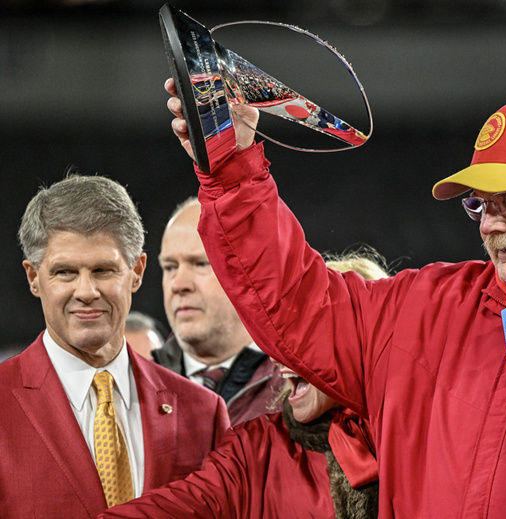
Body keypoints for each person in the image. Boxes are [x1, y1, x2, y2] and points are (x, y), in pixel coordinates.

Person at [164, 84, 506, 517]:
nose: (490, 224)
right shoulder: (430, 305)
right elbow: (298, 301)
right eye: (479, 205)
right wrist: (232, 167)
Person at [0, 174, 230, 518]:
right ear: (34, 278)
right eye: (65, 272)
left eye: (103, 270)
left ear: (136, 271)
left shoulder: (203, 414)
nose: (86, 291)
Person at [99, 253, 385, 519]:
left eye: (305, 337)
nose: (280, 354)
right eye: (280, 336)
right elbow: (175, 507)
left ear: (359, 342)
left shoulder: (418, 435)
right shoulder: (254, 450)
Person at [153, 197, 282, 425]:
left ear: (249, 271)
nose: (178, 284)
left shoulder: (298, 389)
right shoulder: (137, 385)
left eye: (201, 264)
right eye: (170, 267)